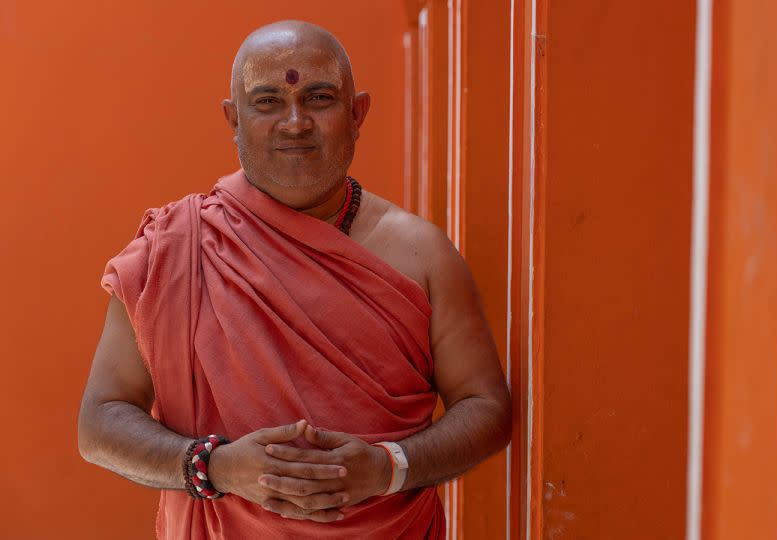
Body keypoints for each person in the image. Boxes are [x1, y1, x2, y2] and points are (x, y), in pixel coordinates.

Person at [77, 19, 511, 539]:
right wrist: (213, 467)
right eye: (267, 102)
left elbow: (486, 408)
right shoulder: (174, 250)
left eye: (320, 97)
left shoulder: (421, 255)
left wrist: (388, 467)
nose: (295, 121)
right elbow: (100, 421)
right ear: (233, 120)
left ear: (358, 113)